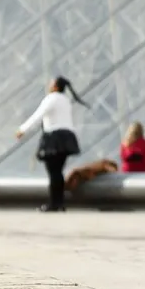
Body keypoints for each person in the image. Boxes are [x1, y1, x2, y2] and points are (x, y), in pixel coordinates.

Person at [15, 76, 88, 212]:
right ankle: (59, 203)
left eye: (51, 83)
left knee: (53, 173)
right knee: (58, 172)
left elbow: (38, 115)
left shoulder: (51, 98)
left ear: (55, 86)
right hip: (67, 137)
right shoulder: (66, 100)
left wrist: (22, 130)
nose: (49, 85)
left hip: (54, 138)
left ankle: (54, 203)